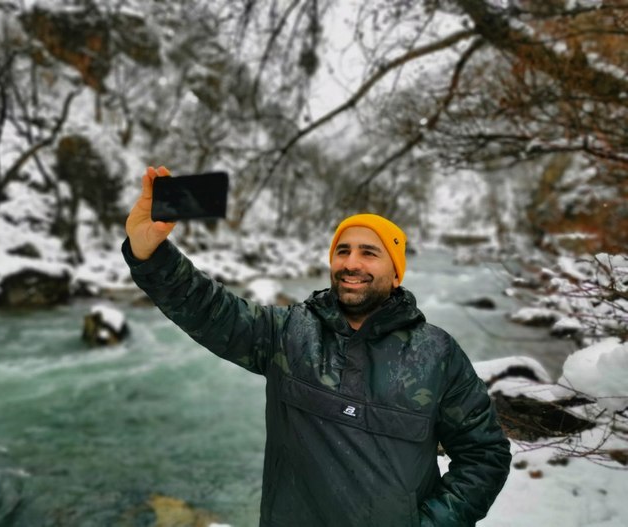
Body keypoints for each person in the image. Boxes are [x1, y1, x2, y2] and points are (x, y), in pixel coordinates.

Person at [123, 166, 511, 527]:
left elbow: (485, 456)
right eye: (342, 251)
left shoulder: (437, 354)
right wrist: (150, 253)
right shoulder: (289, 333)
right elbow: (209, 309)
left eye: (368, 252)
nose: (351, 262)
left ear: (396, 273)